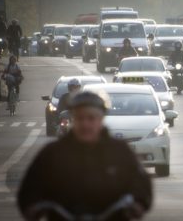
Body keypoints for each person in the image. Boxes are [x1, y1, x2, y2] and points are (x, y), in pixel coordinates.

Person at [17, 92, 152, 220]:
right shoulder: (52, 153)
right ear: (73, 120)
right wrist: (33, 206)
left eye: (91, 118)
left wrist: (138, 203)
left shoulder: (120, 151)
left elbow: (141, 184)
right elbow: (30, 187)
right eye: (80, 118)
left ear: (101, 120)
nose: (85, 124)